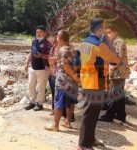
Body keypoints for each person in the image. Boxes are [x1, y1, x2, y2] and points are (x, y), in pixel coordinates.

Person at [78, 16, 120, 150]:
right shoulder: (98, 44)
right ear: (98, 28)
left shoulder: (85, 41)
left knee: (94, 112)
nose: (106, 29)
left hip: (91, 77)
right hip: (95, 79)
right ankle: (83, 144)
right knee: (90, 112)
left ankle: (90, 139)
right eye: (104, 26)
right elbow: (114, 58)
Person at [45, 30, 79, 131]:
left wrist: (72, 75)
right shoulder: (73, 49)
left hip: (63, 81)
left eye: (57, 38)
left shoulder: (62, 50)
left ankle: (55, 125)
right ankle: (67, 122)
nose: (56, 39)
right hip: (72, 82)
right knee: (70, 102)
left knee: (58, 102)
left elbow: (65, 66)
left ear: (59, 38)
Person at [99, 25, 130, 123]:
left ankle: (109, 115)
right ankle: (121, 115)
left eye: (109, 32)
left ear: (115, 32)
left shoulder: (119, 42)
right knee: (119, 94)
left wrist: (111, 69)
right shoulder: (113, 42)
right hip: (118, 71)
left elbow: (118, 58)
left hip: (118, 72)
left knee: (114, 94)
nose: (107, 35)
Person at [24, 25, 52, 111]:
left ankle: (40, 104)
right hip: (32, 68)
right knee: (30, 85)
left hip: (43, 69)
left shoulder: (48, 44)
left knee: (41, 87)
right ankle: (32, 102)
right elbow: (30, 52)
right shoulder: (34, 42)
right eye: (37, 32)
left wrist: (42, 55)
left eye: (40, 32)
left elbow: (51, 57)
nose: (38, 34)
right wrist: (26, 63)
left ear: (44, 33)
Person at [48, 31, 67, 117]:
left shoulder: (65, 48)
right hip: (53, 72)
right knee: (54, 93)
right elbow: (49, 58)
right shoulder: (53, 48)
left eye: (56, 37)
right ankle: (53, 109)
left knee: (64, 95)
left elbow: (67, 61)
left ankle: (65, 115)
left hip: (62, 74)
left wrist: (56, 59)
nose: (54, 39)